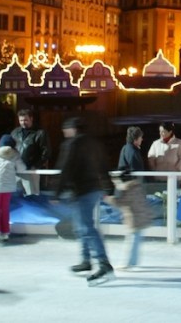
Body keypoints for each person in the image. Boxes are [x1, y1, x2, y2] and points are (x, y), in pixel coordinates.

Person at [58, 116, 114, 286]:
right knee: (81, 227)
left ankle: (103, 263)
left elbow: (65, 168)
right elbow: (104, 165)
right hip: (93, 189)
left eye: (66, 129)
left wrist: (57, 191)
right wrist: (108, 186)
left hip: (81, 191)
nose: (64, 132)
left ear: (73, 129)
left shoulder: (72, 144)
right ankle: (86, 260)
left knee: (87, 227)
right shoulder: (95, 143)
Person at [113, 126, 147, 269]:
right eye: (140, 137)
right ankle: (129, 260)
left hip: (130, 192)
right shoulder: (132, 151)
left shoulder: (126, 149)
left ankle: (131, 260)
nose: (142, 140)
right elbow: (135, 173)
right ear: (135, 139)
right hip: (132, 193)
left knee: (134, 228)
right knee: (134, 228)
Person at [0, 134, 26, 242]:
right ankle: (5, 232)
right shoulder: (15, 155)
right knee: (5, 209)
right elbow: (22, 169)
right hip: (9, 186)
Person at [10, 107, 50, 196]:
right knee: (18, 196)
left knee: (33, 195)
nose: (23, 123)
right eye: (21, 120)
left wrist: (36, 165)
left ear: (31, 118)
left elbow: (46, 152)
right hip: (16, 169)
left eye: (25, 120)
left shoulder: (40, 133)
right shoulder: (15, 132)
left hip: (31, 169)